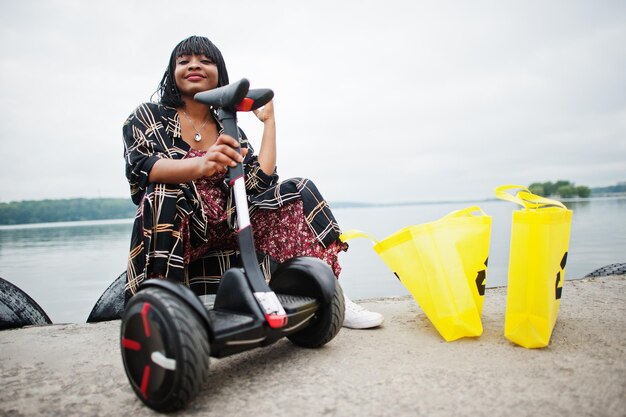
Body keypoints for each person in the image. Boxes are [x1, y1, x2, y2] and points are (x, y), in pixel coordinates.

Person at [122, 35, 382, 329]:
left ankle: (330, 292)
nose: (194, 65)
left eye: (205, 61)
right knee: (161, 192)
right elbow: (143, 166)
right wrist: (201, 164)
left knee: (299, 189)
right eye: (184, 61)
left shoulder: (228, 126)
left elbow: (260, 183)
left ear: (220, 73)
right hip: (182, 229)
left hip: (233, 226)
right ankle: (160, 308)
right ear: (172, 72)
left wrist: (269, 122)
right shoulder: (148, 115)